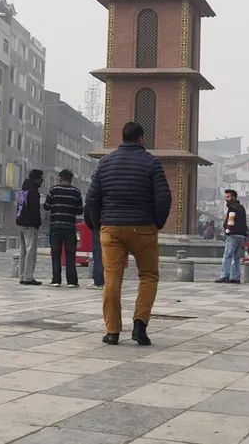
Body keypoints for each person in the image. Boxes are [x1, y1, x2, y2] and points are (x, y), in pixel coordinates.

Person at [85, 121, 171, 346]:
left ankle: (112, 331)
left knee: (112, 278)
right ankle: (140, 326)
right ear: (141, 139)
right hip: (143, 227)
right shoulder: (152, 163)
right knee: (148, 276)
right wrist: (156, 224)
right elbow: (163, 197)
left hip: (111, 228)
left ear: (122, 138)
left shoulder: (105, 163)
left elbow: (92, 199)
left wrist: (99, 225)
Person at [44, 168, 84, 288]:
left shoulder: (53, 190)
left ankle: (56, 280)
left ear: (60, 178)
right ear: (71, 179)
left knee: (56, 254)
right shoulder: (76, 192)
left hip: (56, 226)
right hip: (70, 227)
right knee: (70, 254)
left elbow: (46, 206)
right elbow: (80, 210)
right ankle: (72, 281)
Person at [15, 169, 45, 285]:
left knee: (23, 251)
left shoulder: (23, 190)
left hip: (20, 223)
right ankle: (28, 276)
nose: (41, 182)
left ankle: (22, 276)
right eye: (41, 179)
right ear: (36, 179)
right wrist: (37, 224)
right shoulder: (33, 192)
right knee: (30, 251)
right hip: (30, 224)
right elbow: (34, 211)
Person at [215, 189, 248, 284]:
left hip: (233, 235)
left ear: (233, 197)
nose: (226, 199)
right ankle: (236, 277)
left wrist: (227, 230)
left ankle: (225, 275)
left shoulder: (232, 207)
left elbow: (231, 221)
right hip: (241, 235)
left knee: (227, 256)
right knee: (237, 257)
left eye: (228, 197)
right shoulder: (241, 207)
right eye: (226, 197)